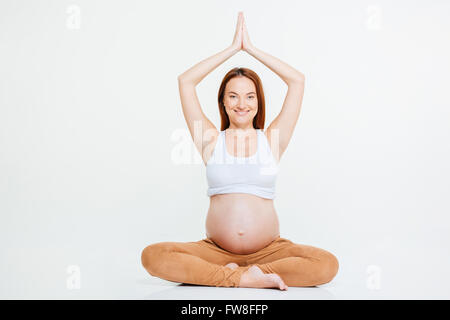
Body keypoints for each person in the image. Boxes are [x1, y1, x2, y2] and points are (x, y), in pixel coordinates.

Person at [141, 12, 339, 290]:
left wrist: (252, 50)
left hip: (270, 251)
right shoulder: (209, 139)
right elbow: (185, 81)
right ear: (222, 102)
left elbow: (297, 81)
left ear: (258, 102)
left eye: (250, 96)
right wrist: (232, 49)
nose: (241, 104)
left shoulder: (273, 139)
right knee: (154, 256)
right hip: (217, 252)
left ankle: (241, 274)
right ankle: (244, 278)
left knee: (326, 264)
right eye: (233, 96)